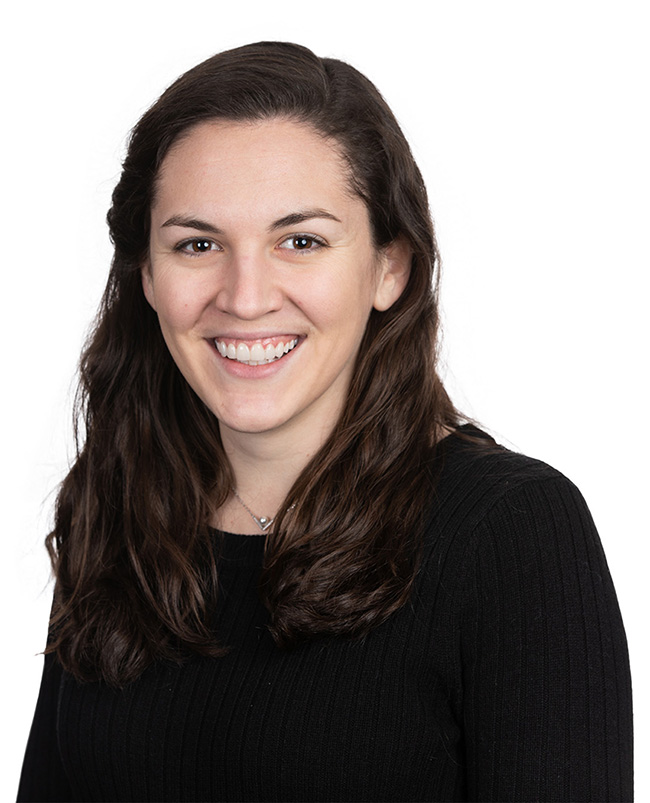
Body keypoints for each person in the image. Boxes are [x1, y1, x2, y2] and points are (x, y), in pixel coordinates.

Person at [18, 41, 632, 802]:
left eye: (300, 240)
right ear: (147, 274)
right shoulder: (117, 509)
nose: (245, 296)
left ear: (389, 267)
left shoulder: (510, 532)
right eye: (197, 243)